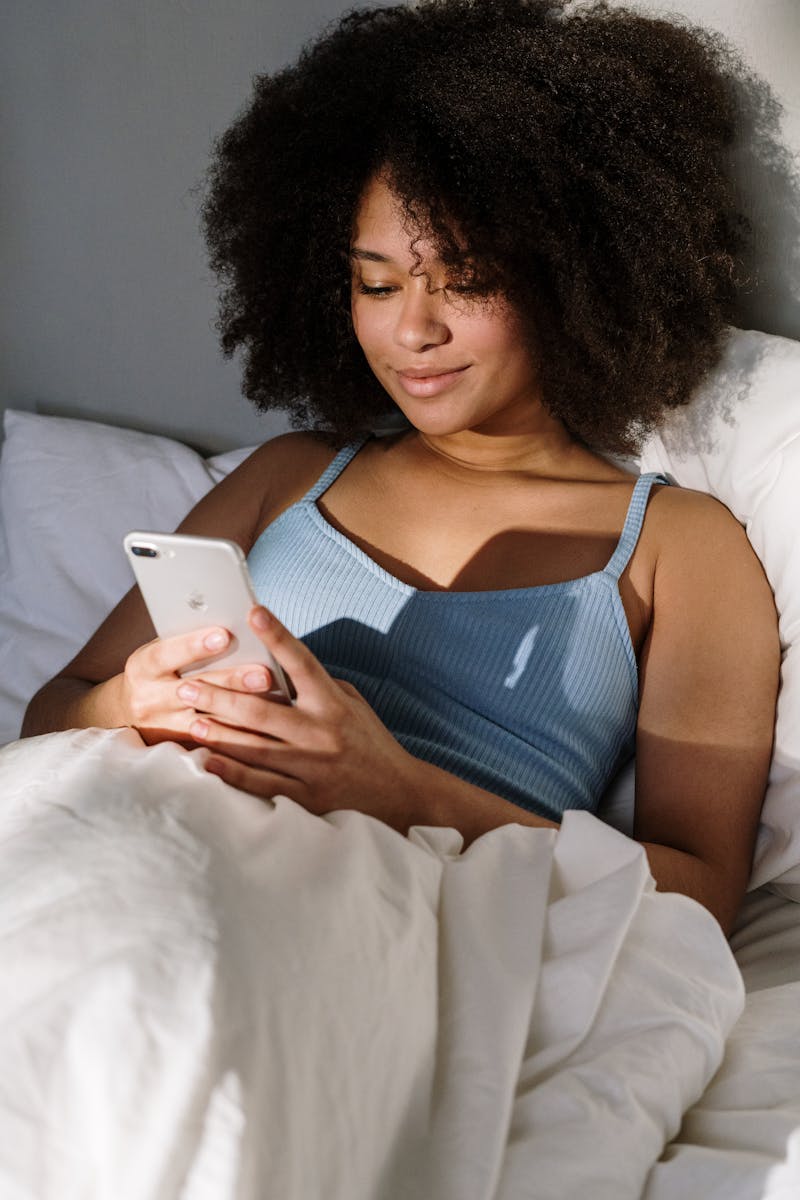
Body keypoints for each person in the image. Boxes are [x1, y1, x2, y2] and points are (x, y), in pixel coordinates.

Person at [23, 0, 780, 934]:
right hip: (145, 851)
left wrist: (401, 789)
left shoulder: (678, 543)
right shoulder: (289, 476)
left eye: (466, 280)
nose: (413, 330)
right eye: (377, 283)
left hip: (389, 916)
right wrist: (127, 701)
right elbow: (51, 714)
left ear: (575, 277)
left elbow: (701, 890)